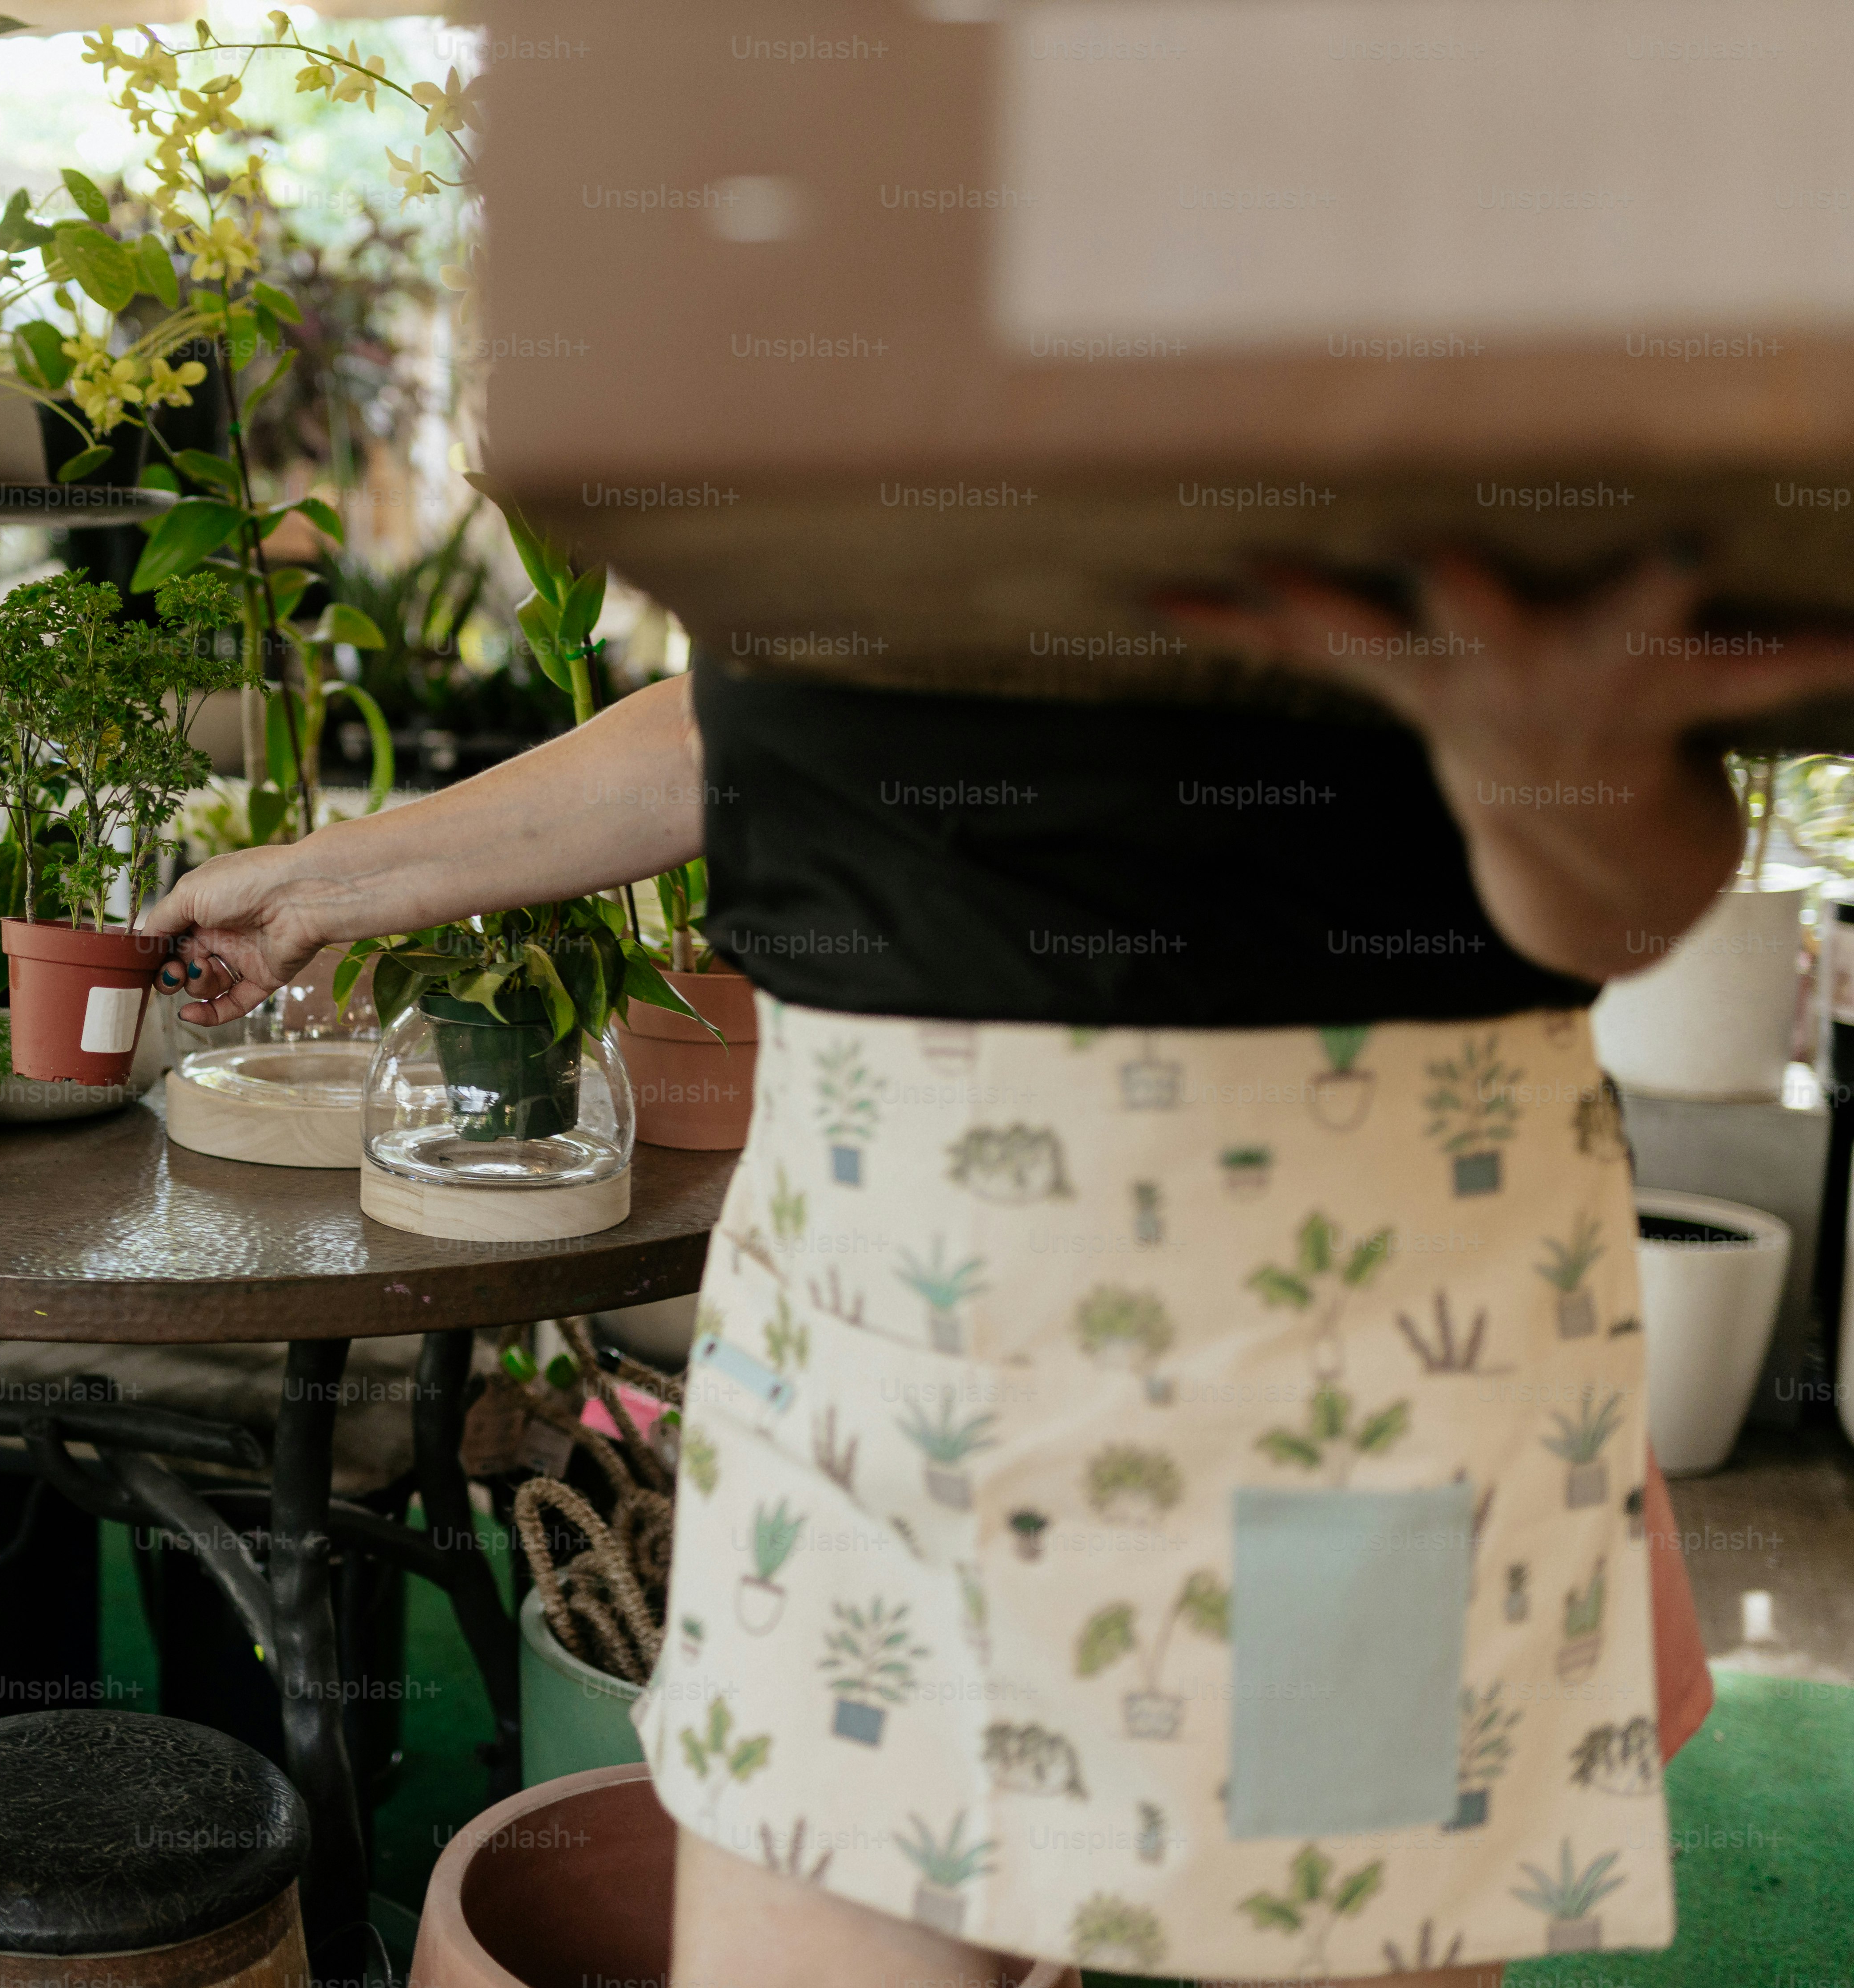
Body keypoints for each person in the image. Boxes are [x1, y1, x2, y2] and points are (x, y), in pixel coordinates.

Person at [143, 550, 1831, 1988]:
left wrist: (1554, 768)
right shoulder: (871, 289)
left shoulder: (1451, 260)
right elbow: (739, 725)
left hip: (1362, 1337)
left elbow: (1646, 848)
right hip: (881, 1324)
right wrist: (321, 885)